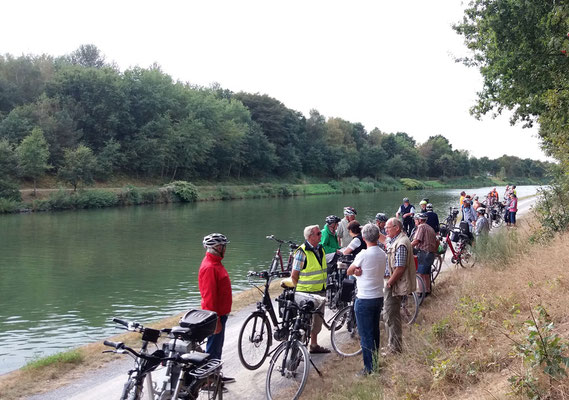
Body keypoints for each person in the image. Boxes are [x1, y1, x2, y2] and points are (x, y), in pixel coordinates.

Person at [347, 223, 386, 375]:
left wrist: (356, 271)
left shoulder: (363, 254)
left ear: (363, 238)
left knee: (365, 336)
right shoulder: (382, 253)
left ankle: (369, 369)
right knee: (374, 333)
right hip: (378, 296)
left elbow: (350, 270)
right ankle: (374, 364)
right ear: (378, 236)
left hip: (364, 299)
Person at [198, 233, 235, 384]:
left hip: (221, 313)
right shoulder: (210, 267)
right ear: (217, 248)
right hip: (215, 315)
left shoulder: (216, 263)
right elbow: (209, 297)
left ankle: (215, 375)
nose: (225, 249)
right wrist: (215, 320)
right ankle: (208, 381)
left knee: (217, 347)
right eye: (224, 246)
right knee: (212, 348)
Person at [291, 225, 330, 353]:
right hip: (306, 293)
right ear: (310, 236)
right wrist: (300, 291)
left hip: (320, 291)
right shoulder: (302, 252)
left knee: (317, 322)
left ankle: (314, 345)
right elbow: (294, 275)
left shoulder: (320, 249)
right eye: (318, 234)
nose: (320, 235)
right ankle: (298, 350)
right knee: (303, 323)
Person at [384, 218, 416, 354]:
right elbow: (384, 240)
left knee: (391, 315)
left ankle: (395, 348)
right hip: (393, 283)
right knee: (389, 315)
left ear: (396, 228)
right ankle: (392, 344)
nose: (385, 230)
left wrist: (389, 283)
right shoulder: (396, 240)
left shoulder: (401, 243)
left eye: (388, 227)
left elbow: (400, 268)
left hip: (395, 285)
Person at [410, 213, 438, 295]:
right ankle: (427, 290)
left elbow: (416, 240)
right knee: (426, 274)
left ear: (420, 220)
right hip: (430, 253)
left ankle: (422, 292)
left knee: (420, 274)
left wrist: (407, 246)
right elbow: (437, 241)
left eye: (415, 220)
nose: (415, 221)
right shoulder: (430, 228)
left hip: (424, 253)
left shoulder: (421, 227)